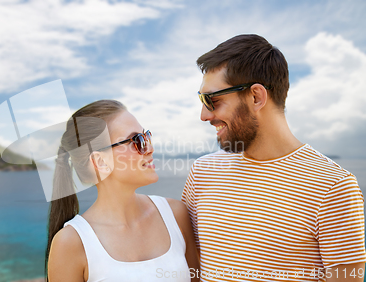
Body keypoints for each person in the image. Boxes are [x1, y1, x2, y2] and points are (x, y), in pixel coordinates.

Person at [182, 34, 366, 281]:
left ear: (256, 96)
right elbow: (191, 266)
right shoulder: (202, 172)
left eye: (212, 100)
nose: (204, 115)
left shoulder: (334, 187)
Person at [46, 100, 200, 282]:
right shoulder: (71, 243)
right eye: (137, 141)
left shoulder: (176, 215)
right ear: (101, 162)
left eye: (146, 136)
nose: (149, 148)